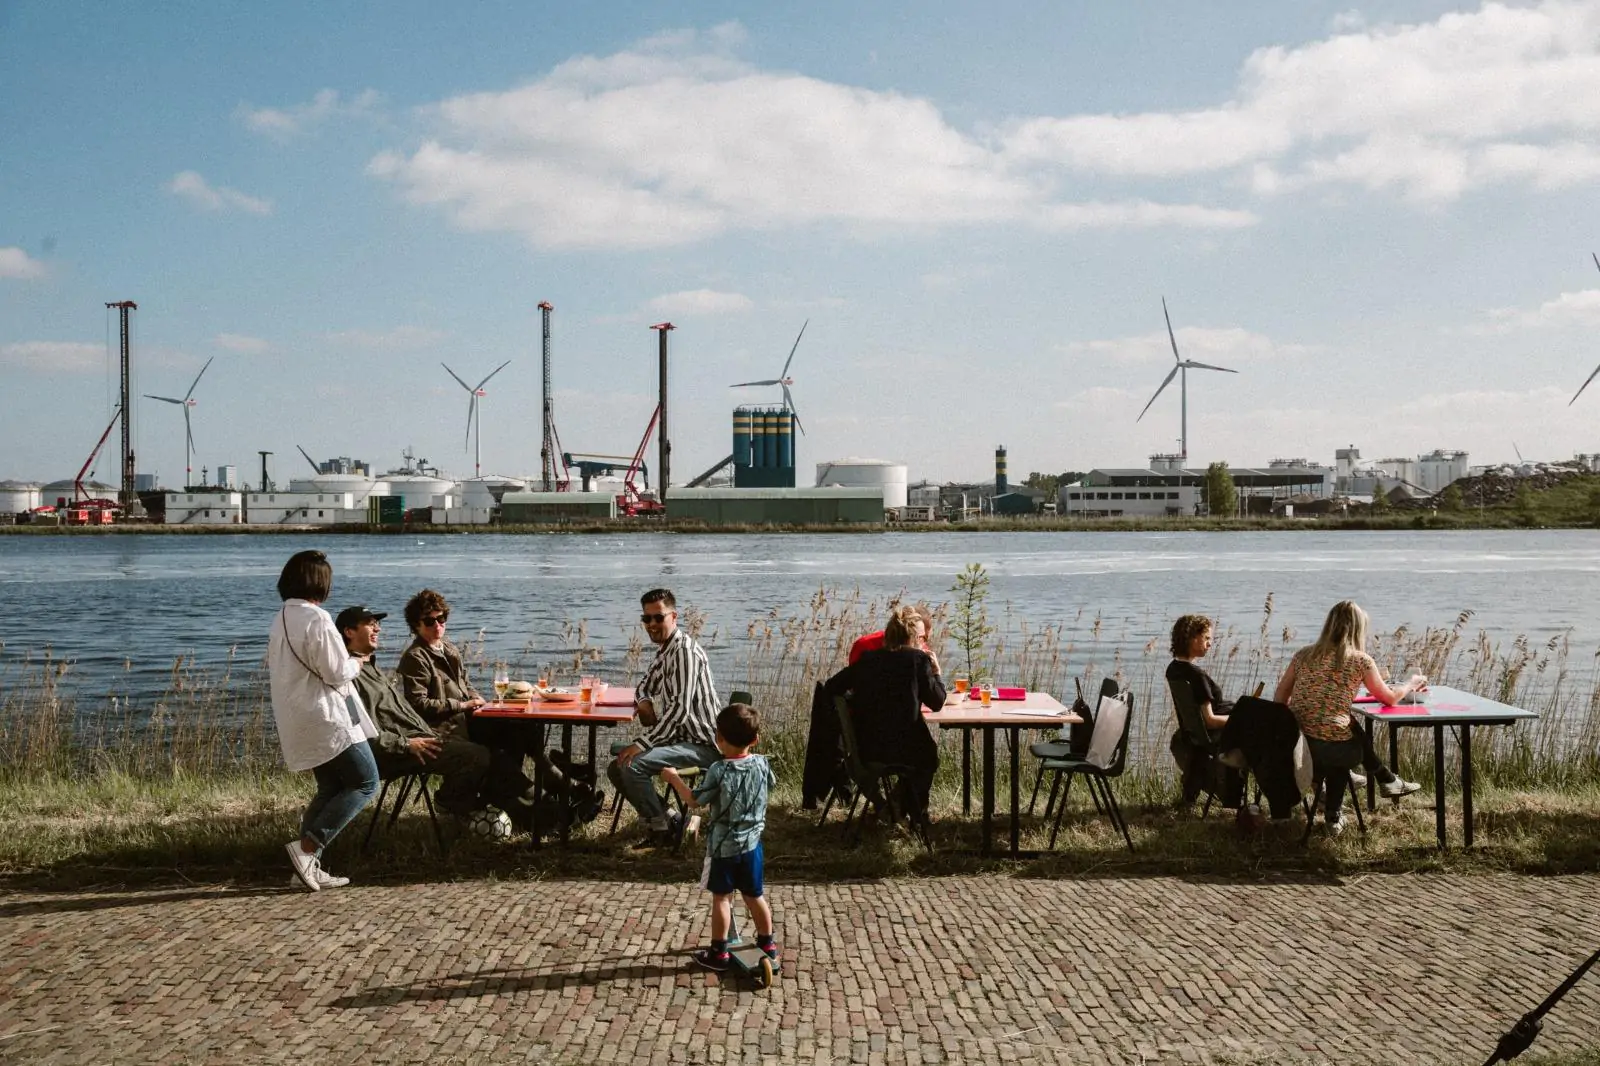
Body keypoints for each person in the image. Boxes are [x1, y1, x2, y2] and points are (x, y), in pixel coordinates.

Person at [339, 605, 541, 830]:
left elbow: (460, 686)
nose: (377, 629)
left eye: (377, 624)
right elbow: (360, 732)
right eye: (370, 624)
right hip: (400, 749)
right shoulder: (347, 679)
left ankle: (535, 804)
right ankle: (453, 800)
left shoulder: (370, 667)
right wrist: (406, 744)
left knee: (509, 734)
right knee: (477, 756)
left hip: (423, 734)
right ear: (349, 632)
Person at [268, 550, 379, 892]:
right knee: (365, 782)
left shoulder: (281, 618)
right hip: (327, 717)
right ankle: (307, 849)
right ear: (320, 583)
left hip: (297, 715)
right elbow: (336, 672)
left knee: (330, 788)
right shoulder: (318, 619)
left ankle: (306, 869)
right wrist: (357, 662)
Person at [1274, 600, 1425, 834]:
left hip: (1297, 745)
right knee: (1343, 742)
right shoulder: (1360, 660)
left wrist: (1309, 705)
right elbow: (1390, 699)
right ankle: (1336, 815)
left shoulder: (1303, 655)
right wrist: (1411, 684)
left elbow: (1280, 698)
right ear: (1357, 628)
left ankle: (1382, 782)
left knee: (1346, 726)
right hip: (1331, 750)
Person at [662, 703, 780, 973]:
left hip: (724, 847)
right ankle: (768, 943)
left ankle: (719, 953)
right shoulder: (762, 763)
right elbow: (770, 784)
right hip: (752, 845)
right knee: (755, 896)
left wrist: (674, 779)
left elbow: (695, 801)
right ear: (755, 739)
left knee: (722, 898)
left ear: (718, 738)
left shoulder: (719, 770)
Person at [608, 588, 721, 848]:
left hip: (704, 745)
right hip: (681, 739)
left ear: (674, 616)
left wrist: (642, 744)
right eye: (646, 619)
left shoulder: (684, 653)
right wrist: (644, 703)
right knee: (617, 767)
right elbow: (644, 686)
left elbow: (679, 711)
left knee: (631, 765)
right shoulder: (667, 650)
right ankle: (670, 819)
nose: (652, 624)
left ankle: (661, 832)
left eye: (658, 617)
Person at [821, 604, 946, 825]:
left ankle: (892, 806)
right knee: (929, 757)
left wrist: (856, 701)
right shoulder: (918, 661)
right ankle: (915, 814)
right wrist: (936, 673)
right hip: (907, 752)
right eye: (922, 638)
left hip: (866, 749)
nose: (923, 642)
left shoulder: (867, 659)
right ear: (913, 638)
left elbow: (831, 687)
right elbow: (937, 702)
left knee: (922, 755)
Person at [1165, 614, 1240, 806]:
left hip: (1194, 731)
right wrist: (1240, 720)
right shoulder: (1197, 677)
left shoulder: (1174, 669)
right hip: (1213, 733)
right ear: (1192, 638)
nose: (1210, 643)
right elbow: (1210, 720)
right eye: (1206, 638)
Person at [396, 589, 484, 734]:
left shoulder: (450, 649)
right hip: (440, 729)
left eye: (441, 619)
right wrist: (462, 705)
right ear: (416, 625)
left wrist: (476, 699)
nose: (437, 625)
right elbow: (418, 704)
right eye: (429, 621)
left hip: (465, 720)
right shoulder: (415, 657)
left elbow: (465, 682)